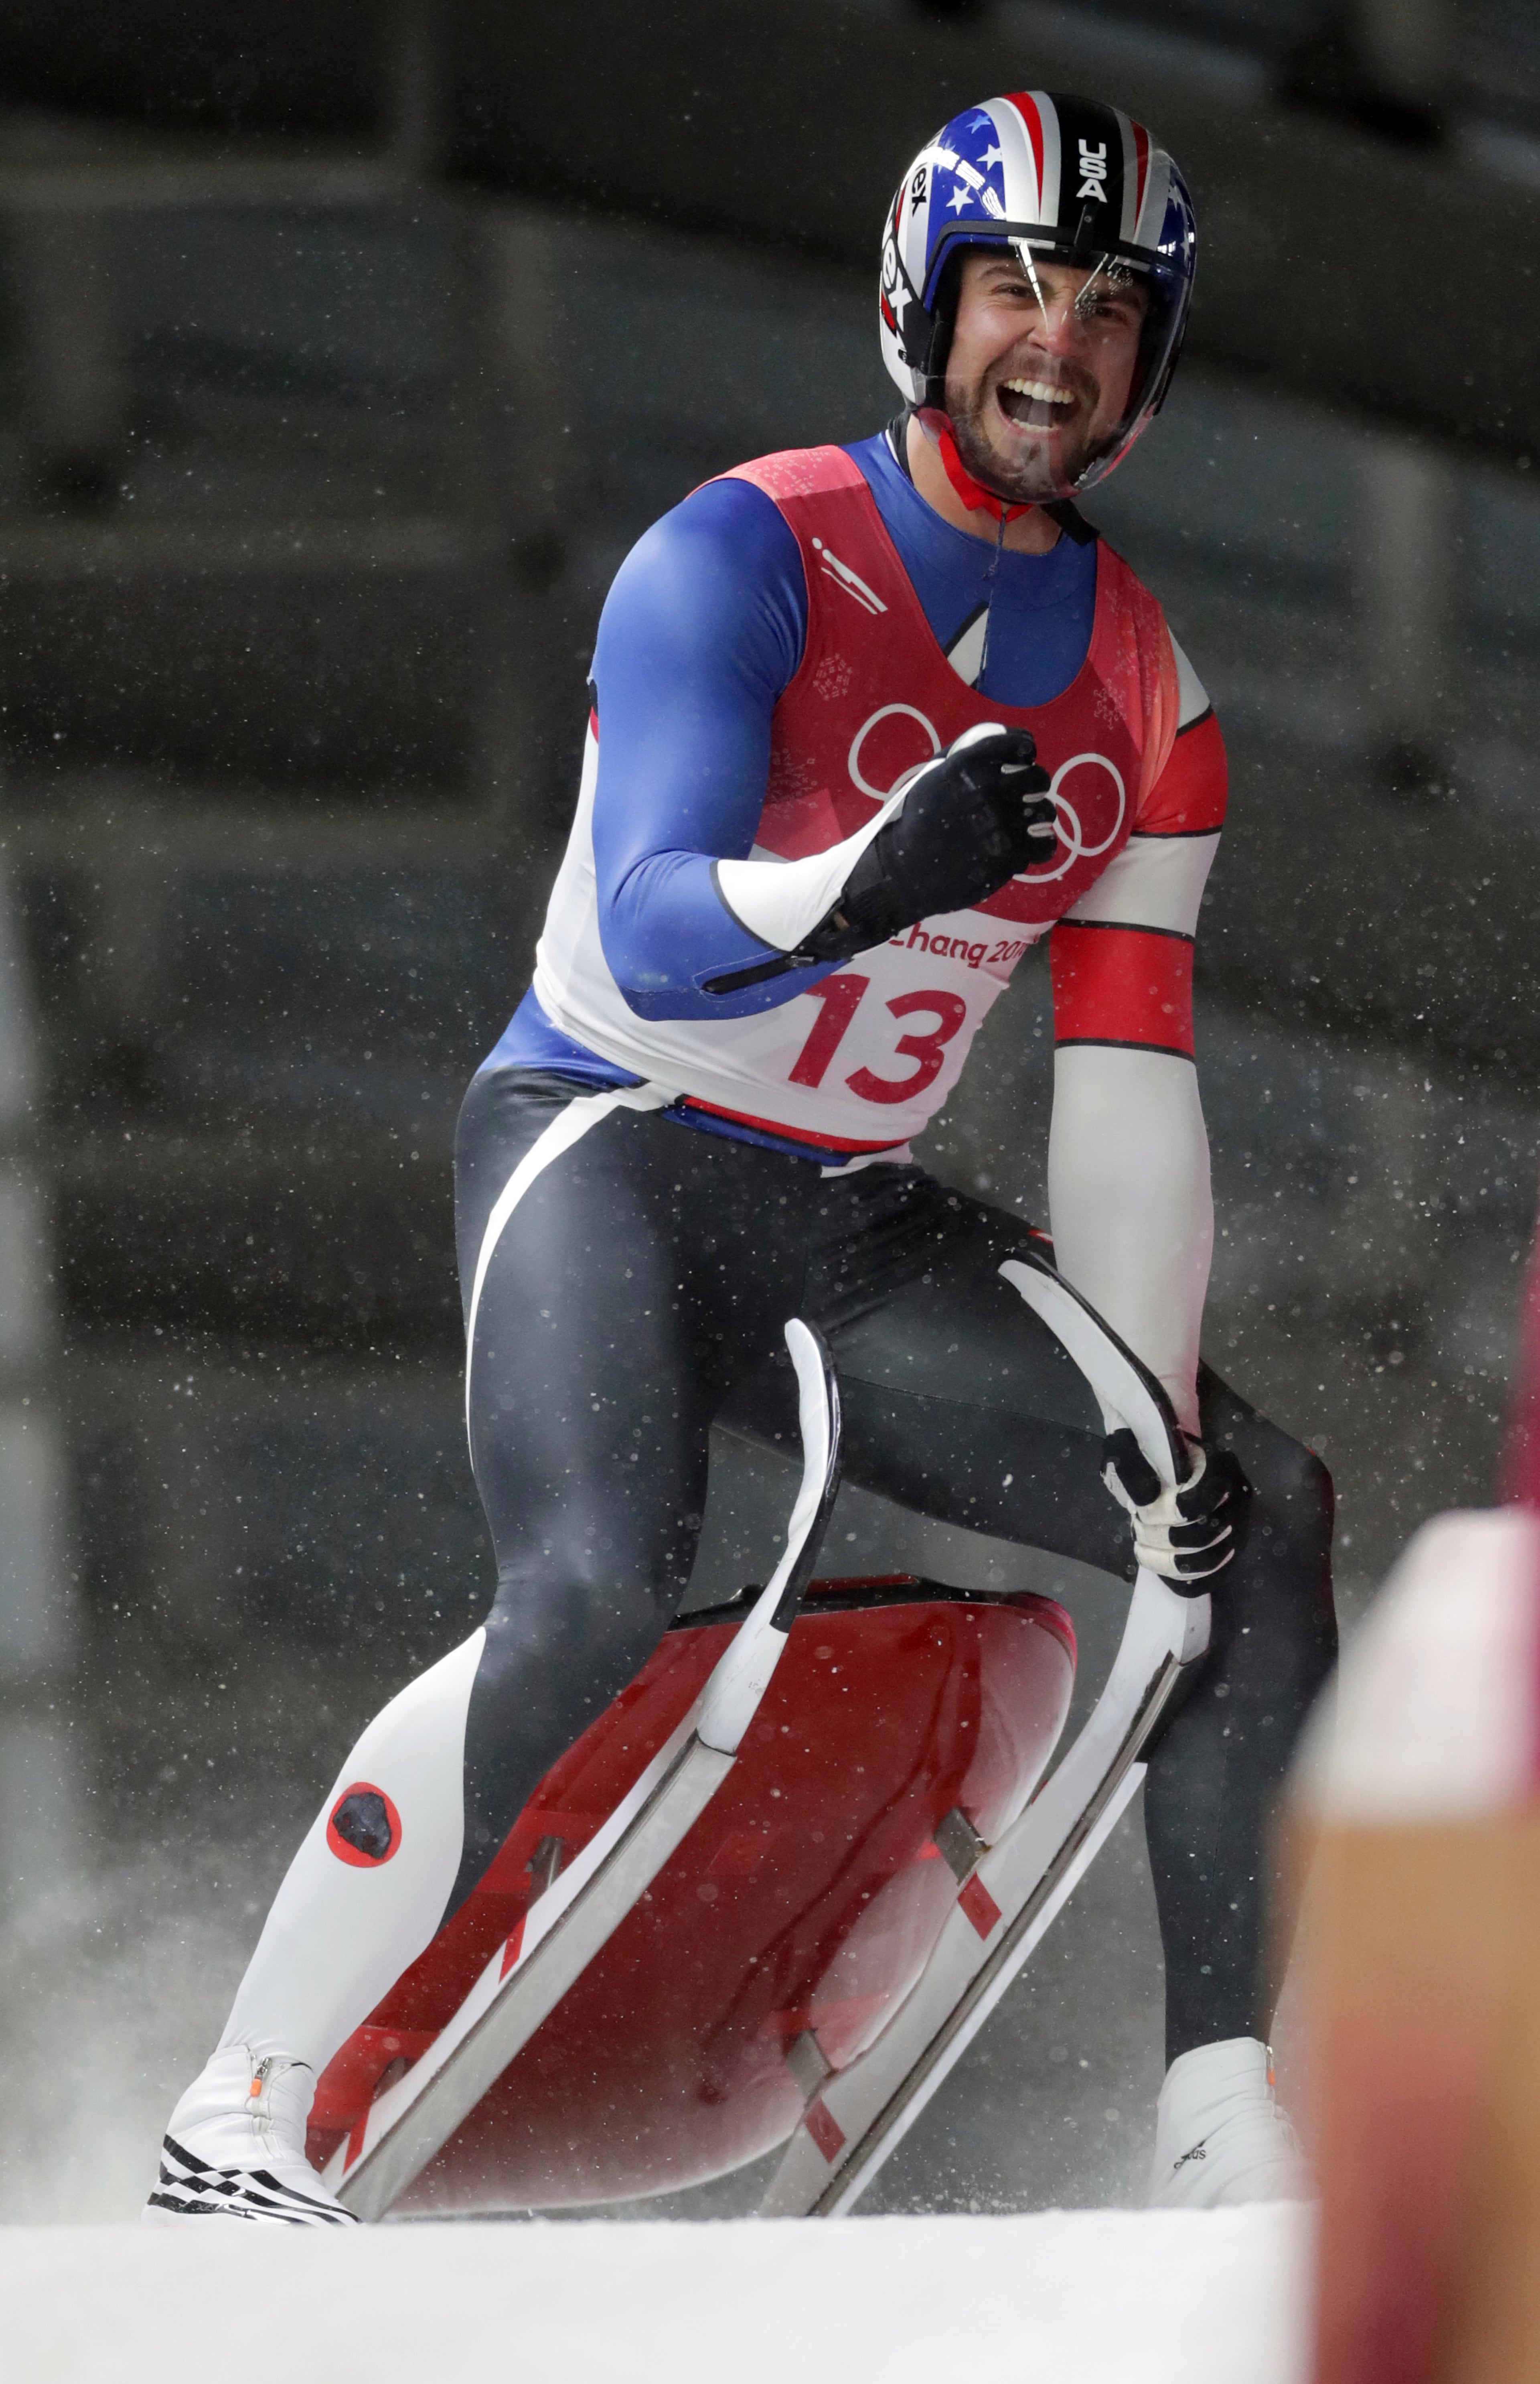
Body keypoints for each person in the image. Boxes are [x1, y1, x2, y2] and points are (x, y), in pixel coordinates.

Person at [147, 88, 1335, 2227]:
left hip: (848, 1220)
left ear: (1155, 371)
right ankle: (252, 2081)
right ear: (921, 307)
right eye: (1014, 292)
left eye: (1105, 313)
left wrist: (1151, 1412)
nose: (1054, 346)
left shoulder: (1159, 694)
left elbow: (1128, 1076)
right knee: (599, 1582)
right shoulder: (742, 547)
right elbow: (654, 933)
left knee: (1254, 1521)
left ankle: (1221, 2102)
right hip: (608, 1147)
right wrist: (872, 880)